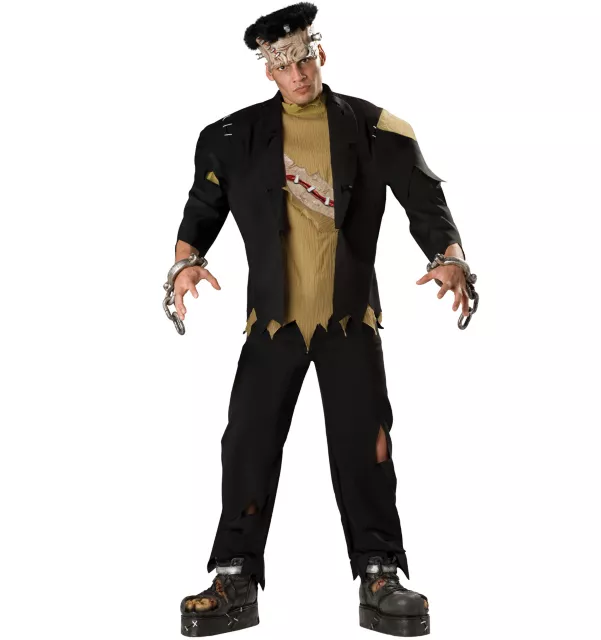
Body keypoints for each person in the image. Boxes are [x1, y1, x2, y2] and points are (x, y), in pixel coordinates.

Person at [171, 2, 471, 636]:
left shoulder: (377, 128)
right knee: (246, 443)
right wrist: (185, 265)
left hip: (349, 320)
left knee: (367, 446)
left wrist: (448, 256)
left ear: (320, 54)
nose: (298, 73)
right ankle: (233, 577)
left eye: (304, 58)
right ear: (268, 72)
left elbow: (425, 199)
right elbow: (201, 210)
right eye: (284, 65)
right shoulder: (230, 137)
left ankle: (380, 574)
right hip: (272, 323)